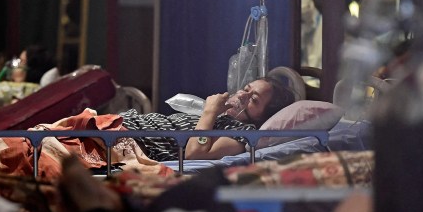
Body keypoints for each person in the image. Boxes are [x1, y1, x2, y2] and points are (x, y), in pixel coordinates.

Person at [119, 76, 296, 162]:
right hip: (121, 124)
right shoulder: (219, 117)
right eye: (246, 88)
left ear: (262, 117)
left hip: (126, 140)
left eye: (254, 100)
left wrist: (210, 111)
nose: (242, 95)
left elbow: (195, 153)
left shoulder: (242, 133)